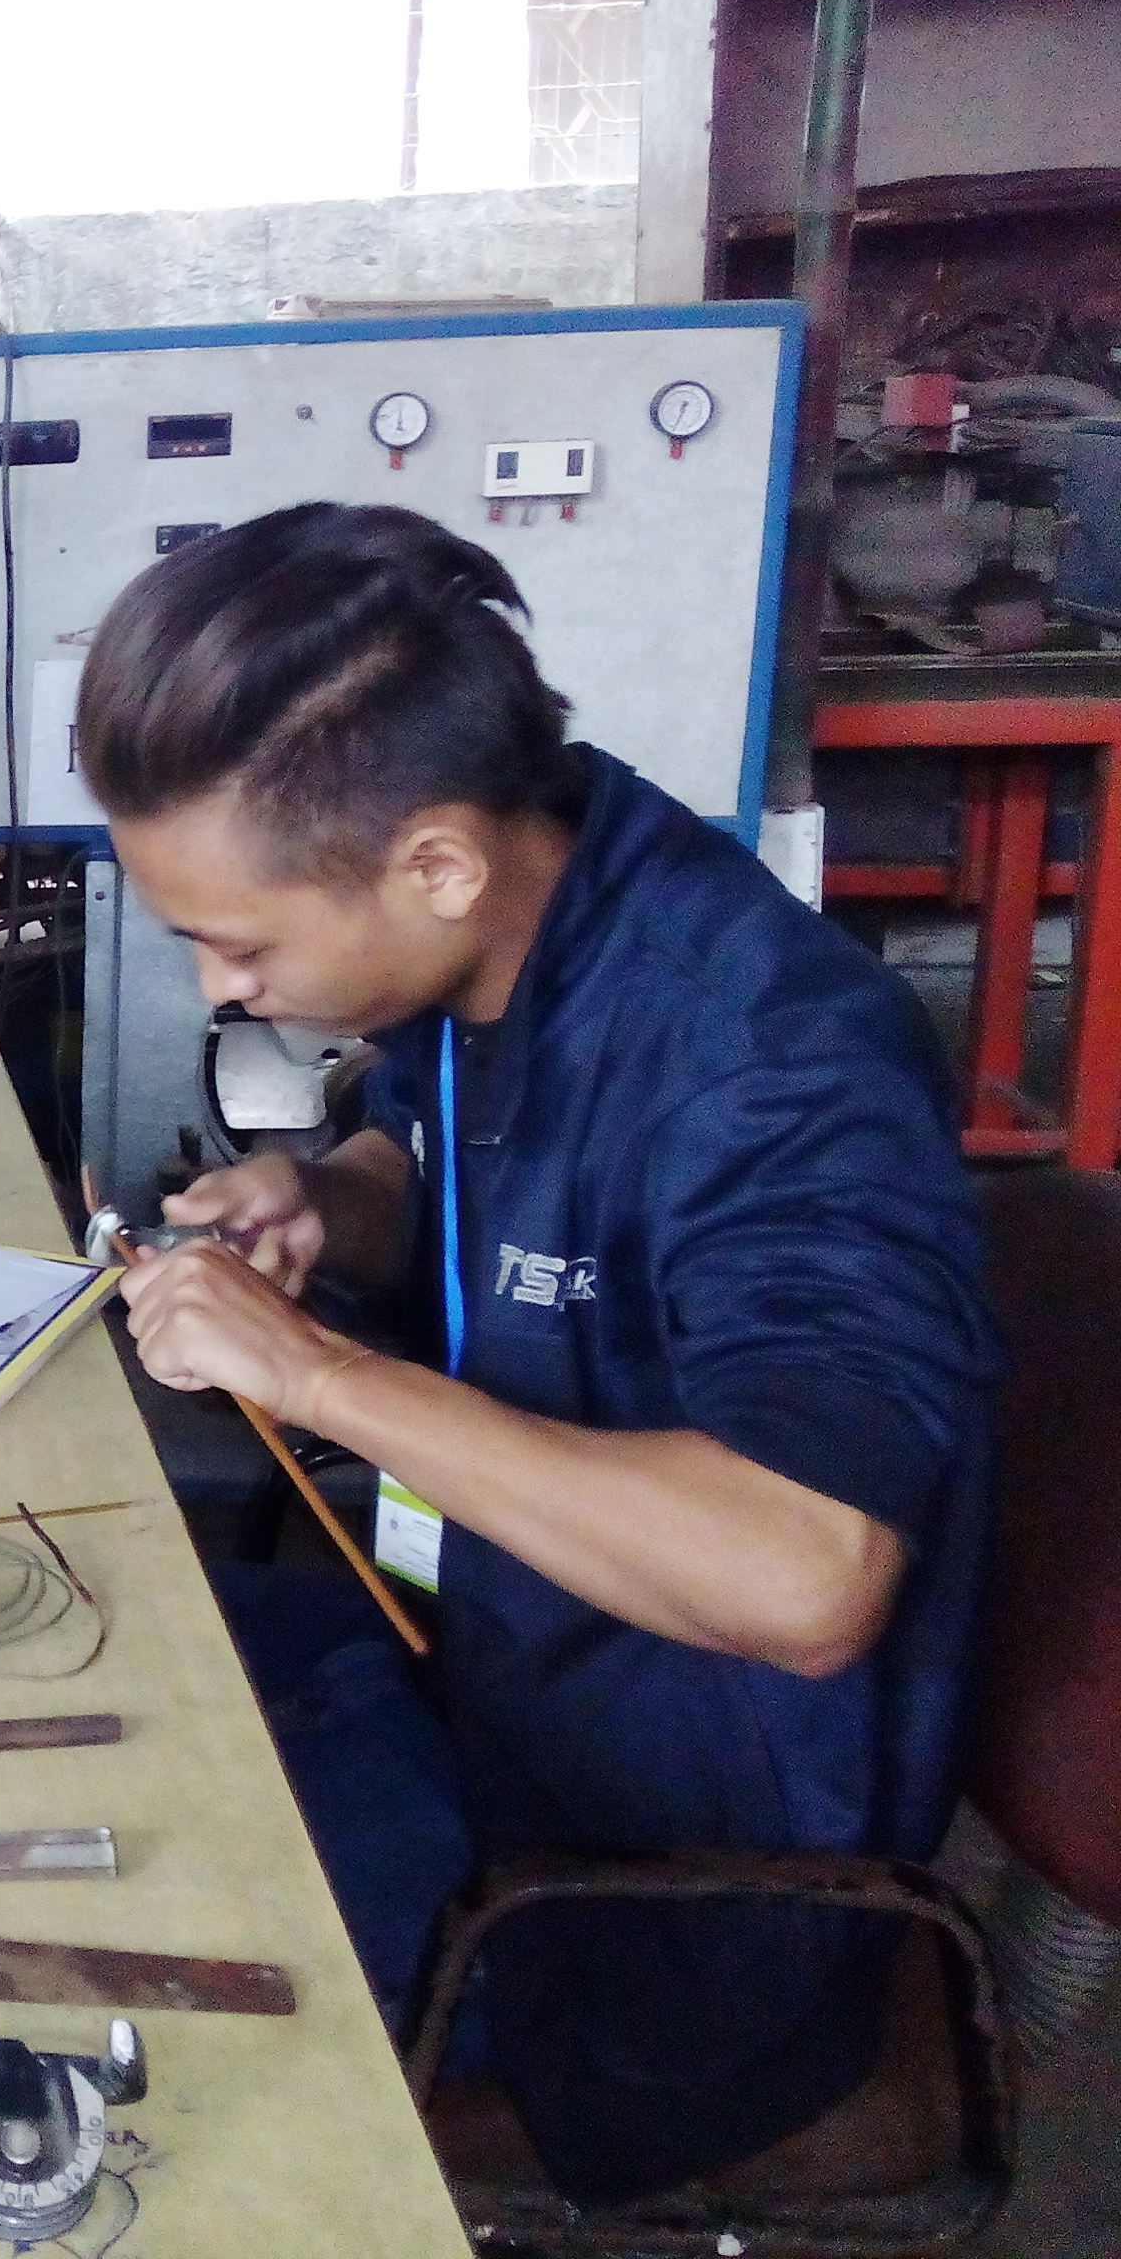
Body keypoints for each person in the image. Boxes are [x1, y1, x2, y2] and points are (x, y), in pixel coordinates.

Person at [74, 502, 1000, 2204]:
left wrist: (323, 1378)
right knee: (90, 1660)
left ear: (434, 862)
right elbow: (435, 1159)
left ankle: (779, 2115)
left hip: (664, 1847)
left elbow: (809, 1571)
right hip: (483, 1655)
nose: (215, 987)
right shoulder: (521, 907)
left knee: (108, 2007)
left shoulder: (776, 1061)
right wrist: (325, 1203)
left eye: (244, 943)